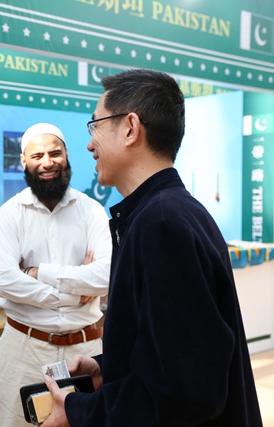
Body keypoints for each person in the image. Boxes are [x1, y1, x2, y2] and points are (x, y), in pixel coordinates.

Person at [40, 69, 263, 427]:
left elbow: (184, 392)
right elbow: (175, 353)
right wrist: (107, 368)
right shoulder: (170, 212)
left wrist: (78, 411)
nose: (89, 144)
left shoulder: (161, 224)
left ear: (130, 128)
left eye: (95, 126)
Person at [0, 122, 112, 427]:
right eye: (37, 156)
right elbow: (4, 281)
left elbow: (106, 275)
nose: (47, 162)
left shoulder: (92, 211)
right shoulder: (11, 213)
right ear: (24, 161)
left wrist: (37, 272)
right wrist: (75, 292)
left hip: (87, 351)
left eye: (55, 153)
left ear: (66, 154)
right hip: (23, 350)